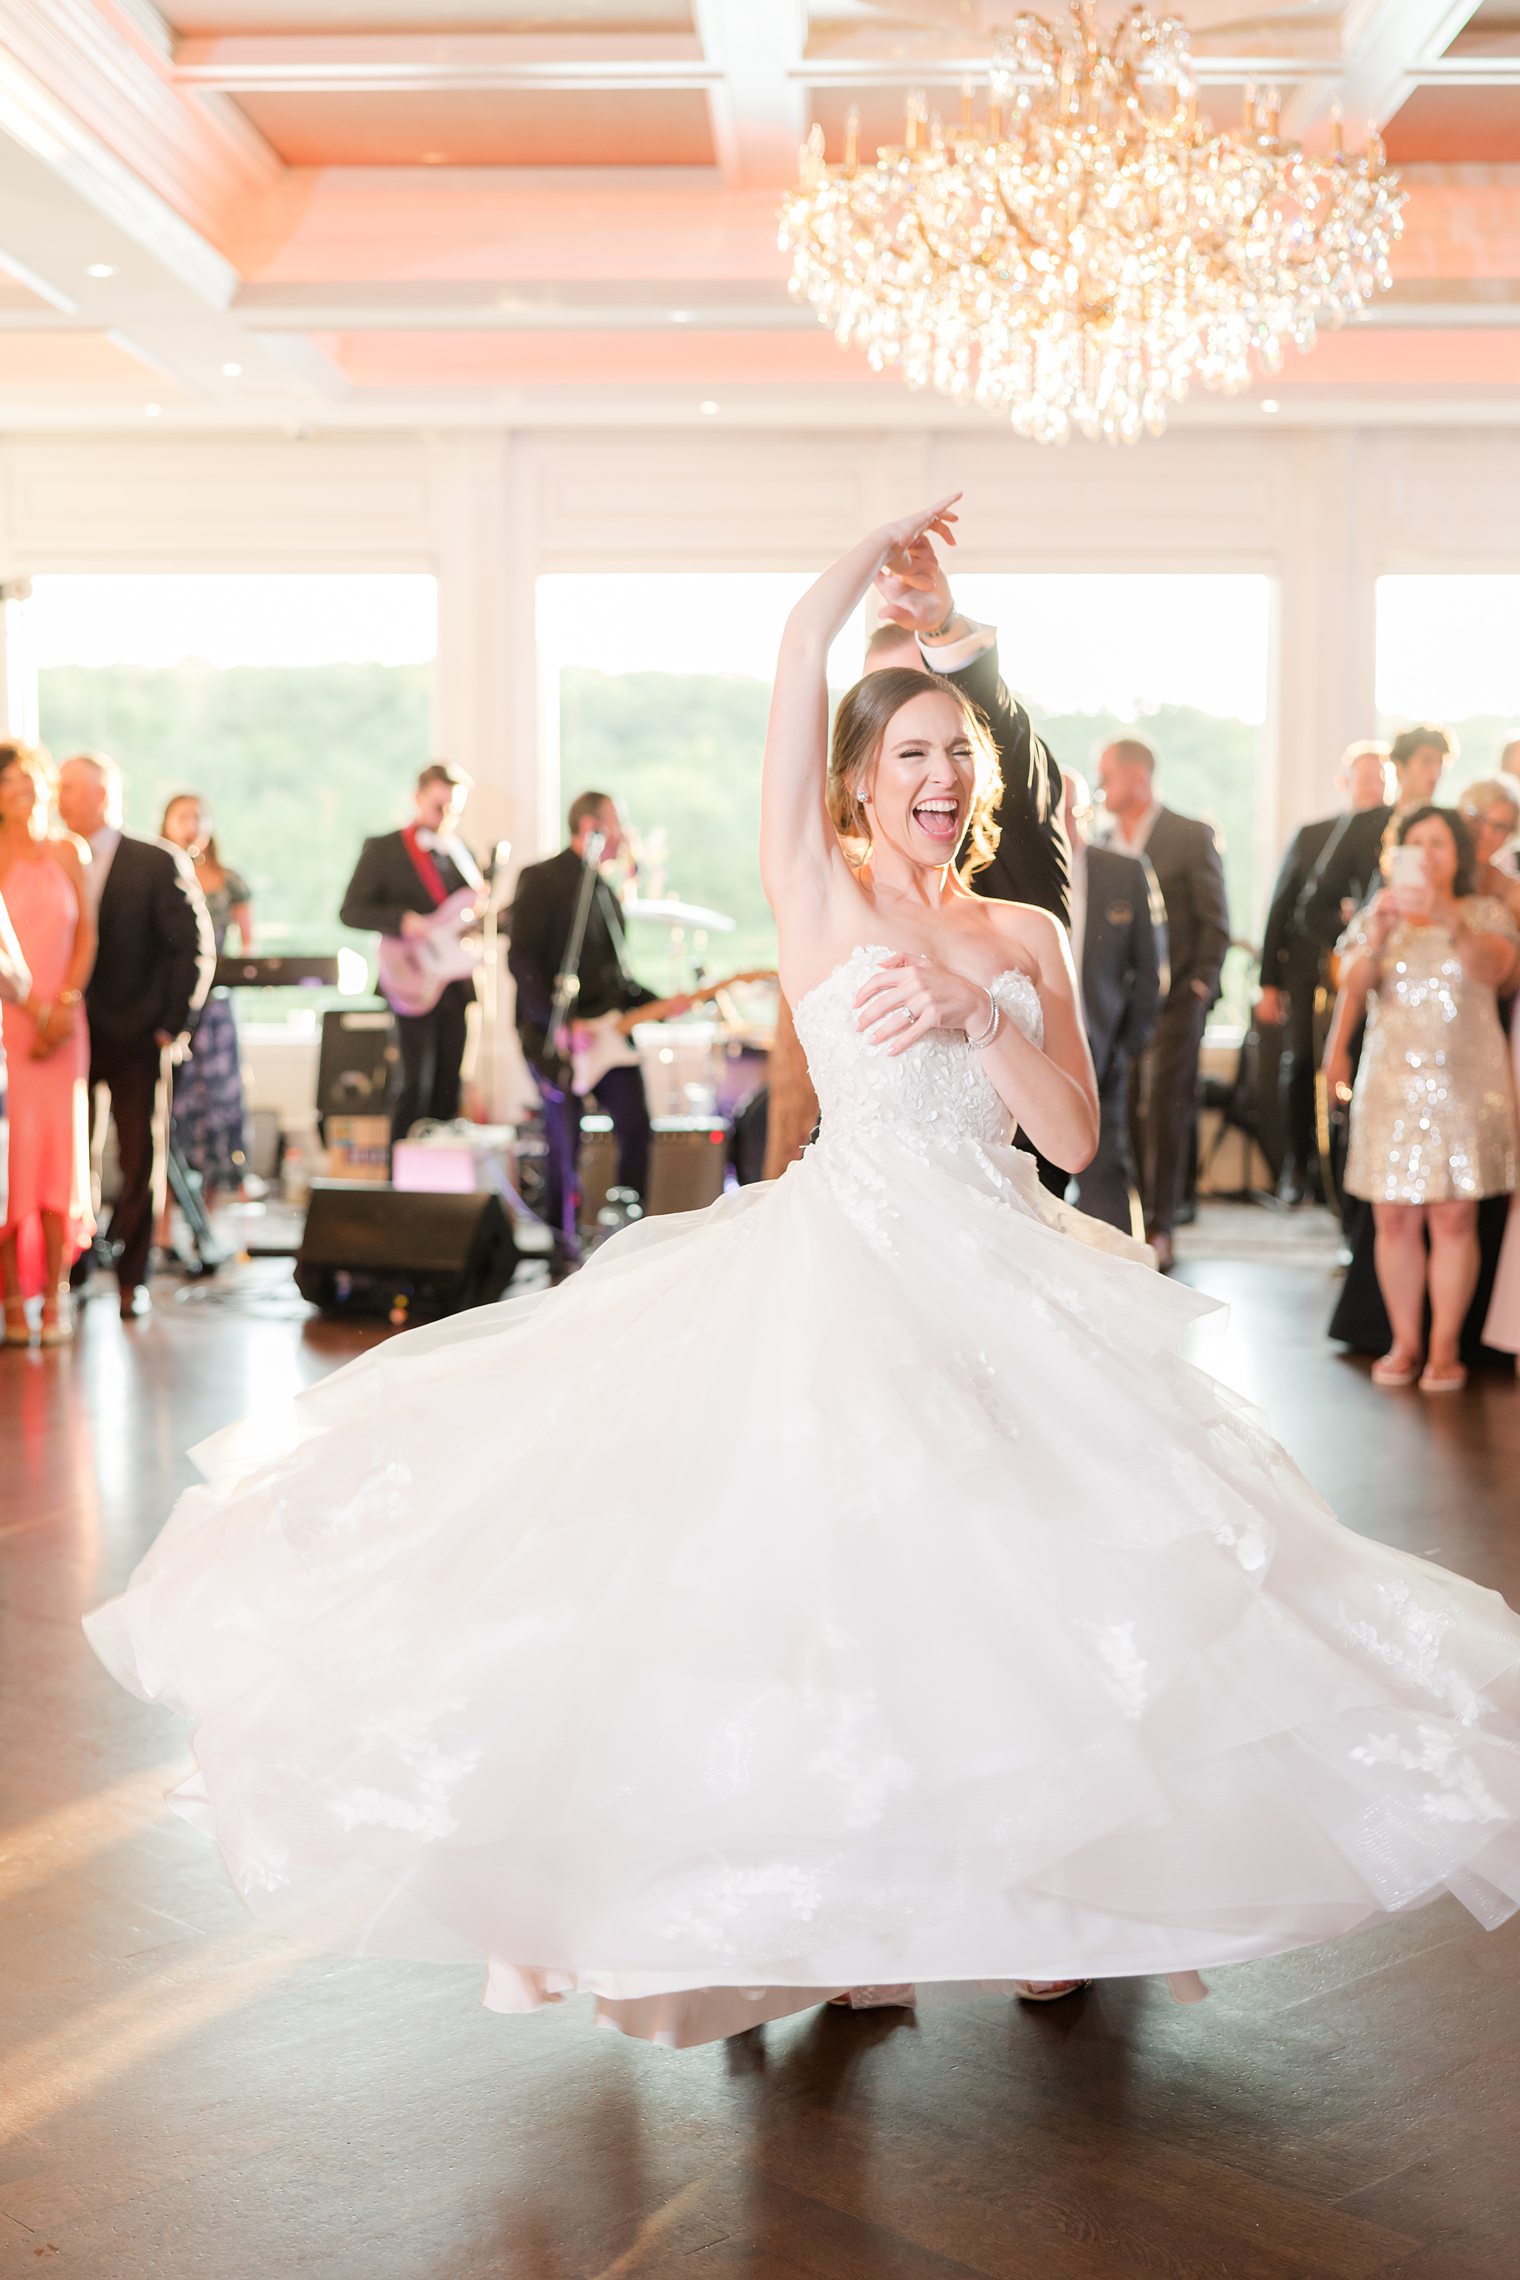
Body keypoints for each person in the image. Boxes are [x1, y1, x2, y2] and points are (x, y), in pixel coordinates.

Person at [86, 497, 1520, 2054]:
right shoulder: (815, 895)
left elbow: (1078, 1135)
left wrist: (986, 1019)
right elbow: (793, 658)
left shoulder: (1028, 925)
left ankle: (1051, 1901)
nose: (936, 774)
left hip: (1010, 1272)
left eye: (952, 752)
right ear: (857, 780)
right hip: (842, 1265)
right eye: (905, 752)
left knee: (1030, 1585)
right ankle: (856, 1916)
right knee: (848, 1593)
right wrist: (870, 564)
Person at [1323, 805, 1519, 1393]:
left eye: (1439, 844)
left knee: (1455, 1215)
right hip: (1390, 1081)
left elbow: (1498, 970)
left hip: (1464, 1082)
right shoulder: (1378, 915)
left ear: (1458, 854)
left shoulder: (1487, 913)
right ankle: (1405, 1341)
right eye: (1417, 843)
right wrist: (1377, 936)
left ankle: (1444, 1346)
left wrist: (1451, 920)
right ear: (1398, 854)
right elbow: (1350, 987)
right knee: (1393, 1215)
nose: (1428, 854)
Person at [55, 753, 212, 1323]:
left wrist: (172, 1024)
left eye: (68, 788)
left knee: (138, 1157)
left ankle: (132, 1279)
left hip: (139, 1036)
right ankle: (72, 1269)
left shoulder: (154, 860)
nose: (58, 796)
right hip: (67, 1035)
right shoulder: (51, 858)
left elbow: (193, 948)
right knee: (73, 1157)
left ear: (100, 795)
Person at [867, 536, 1069, 925]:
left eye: (918, 691)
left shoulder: (1012, 774)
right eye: (879, 700)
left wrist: (941, 627)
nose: (897, 718)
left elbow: (991, 713)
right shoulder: (848, 866)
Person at [507, 791, 681, 1243]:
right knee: (564, 1142)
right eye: (616, 823)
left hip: (607, 1037)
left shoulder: (606, 891)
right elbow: (522, 961)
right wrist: (557, 1024)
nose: (624, 834)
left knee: (636, 1125)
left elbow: (616, 980)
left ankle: (629, 1227)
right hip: (554, 1036)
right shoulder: (542, 878)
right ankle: (562, 1246)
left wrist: (664, 1003)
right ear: (590, 826)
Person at [1097, 739, 1230, 1270]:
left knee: (1165, 1111)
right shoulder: (1104, 841)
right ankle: (1124, 1219)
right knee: (1123, 1106)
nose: (1101, 784)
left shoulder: (1188, 834)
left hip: (1177, 1002)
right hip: (1118, 1003)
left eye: (1107, 774)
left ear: (1136, 776)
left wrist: (1199, 987)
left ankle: (1161, 1224)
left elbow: (1215, 920)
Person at [1256, 743, 1392, 1204]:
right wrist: (1267, 981)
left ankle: (1344, 1173)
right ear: (1345, 783)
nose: (1373, 785)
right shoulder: (1313, 834)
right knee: (1300, 1063)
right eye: (1364, 777)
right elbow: (1284, 905)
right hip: (1309, 968)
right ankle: (1297, 1166)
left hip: (1367, 974)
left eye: (1381, 777)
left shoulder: (1396, 833)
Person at [0, 742, 94, 1345]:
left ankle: (57, 1298)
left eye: (25, 782)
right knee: (11, 1165)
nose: (19, 793)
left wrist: (62, 1005)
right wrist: (31, 1008)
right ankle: (12, 1301)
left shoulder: (70, 851)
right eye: (5, 786)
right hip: (6, 1029)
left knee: (60, 1160)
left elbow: (87, 933)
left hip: (64, 1028)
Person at [339, 763, 483, 1147]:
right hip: (410, 978)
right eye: (439, 806)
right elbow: (351, 911)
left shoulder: (462, 852)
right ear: (418, 799)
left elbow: (465, 915)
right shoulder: (385, 849)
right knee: (413, 1081)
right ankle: (400, 1181)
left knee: (449, 1083)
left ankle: (439, 1179)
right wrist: (402, 921)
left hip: (454, 982)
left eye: (454, 808)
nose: (446, 816)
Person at [1061, 769, 1166, 1236]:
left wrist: (1126, 1048)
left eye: (1074, 812)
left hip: (1103, 1054)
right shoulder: (1009, 875)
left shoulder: (1125, 871)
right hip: (1025, 1053)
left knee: (1106, 1183)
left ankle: (1120, 1290)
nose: (1064, 823)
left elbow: (1150, 974)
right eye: (1051, 812)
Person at [158, 794, 253, 1230]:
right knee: (174, 1106)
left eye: (198, 817)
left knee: (218, 1102)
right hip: (175, 1003)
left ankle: (209, 1218)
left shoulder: (229, 880)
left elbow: (248, 946)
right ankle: (166, 1217)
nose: (192, 825)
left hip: (217, 1005)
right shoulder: (159, 872)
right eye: (182, 817)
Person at [1295, 725, 1454, 960]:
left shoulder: (1450, 829)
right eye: (1426, 762)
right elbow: (1313, 908)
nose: (1435, 773)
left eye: (1440, 764)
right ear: (1400, 767)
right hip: (1372, 958)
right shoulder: (1363, 825)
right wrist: (1358, 944)